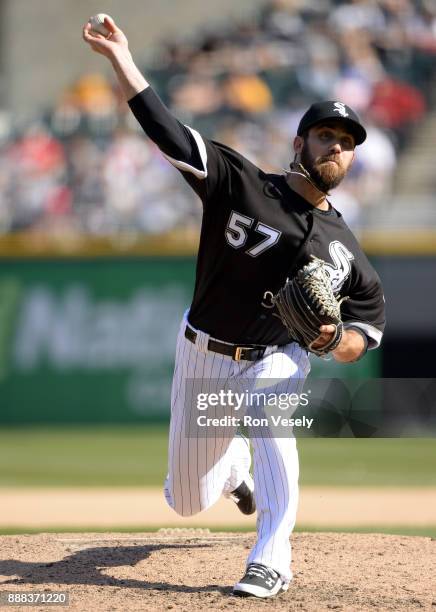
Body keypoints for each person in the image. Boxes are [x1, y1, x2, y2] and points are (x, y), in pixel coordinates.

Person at [83, 17, 385, 599]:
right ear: (300, 144)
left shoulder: (345, 250)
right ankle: (235, 473)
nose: (336, 148)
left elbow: (364, 334)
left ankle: (272, 557)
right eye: (326, 136)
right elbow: (165, 128)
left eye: (346, 144)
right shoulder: (239, 183)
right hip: (202, 349)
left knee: (269, 414)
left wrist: (326, 341)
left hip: (276, 355)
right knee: (185, 500)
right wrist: (121, 57)